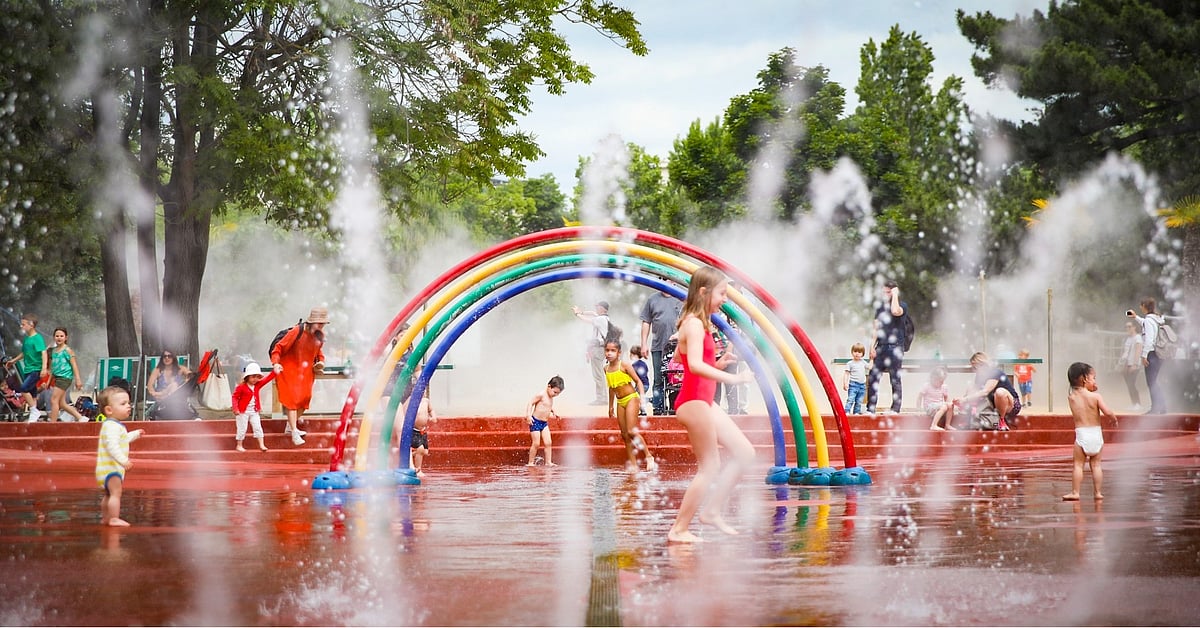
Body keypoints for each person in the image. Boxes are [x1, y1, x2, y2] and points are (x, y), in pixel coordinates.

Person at [667, 265, 757, 544]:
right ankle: (679, 529)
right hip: (694, 402)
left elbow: (686, 361)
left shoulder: (700, 323)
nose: (725, 300)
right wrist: (734, 379)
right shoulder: (693, 323)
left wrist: (718, 364)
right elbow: (693, 365)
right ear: (704, 292)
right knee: (709, 467)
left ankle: (713, 511)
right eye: (721, 294)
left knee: (745, 453)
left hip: (702, 399)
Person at [270, 307, 329, 445]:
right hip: (289, 369)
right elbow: (278, 348)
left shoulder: (319, 336)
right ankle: (294, 432)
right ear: (311, 322)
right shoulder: (297, 331)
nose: (321, 326)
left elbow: (319, 353)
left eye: (322, 324)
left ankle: (290, 427)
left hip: (305, 372)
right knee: (293, 400)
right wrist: (275, 363)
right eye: (319, 323)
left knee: (304, 399)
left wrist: (321, 362)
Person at [1062, 362, 1116, 501]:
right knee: (1096, 465)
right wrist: (1113, 419)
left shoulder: (1071, 398)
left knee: (1078, 465)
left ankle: (1075, 492)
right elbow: (1107, 412)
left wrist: (1088, 389)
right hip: (1096, 434)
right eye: (1094, 378)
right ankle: (1098, 492)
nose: (1095, 381)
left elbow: (1081, 398)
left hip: (1082, 435)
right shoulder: (1096, 397)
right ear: (1084, 379)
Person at [94, 385, 144, 527]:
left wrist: (135, 434)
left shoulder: (112, 425)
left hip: (105, 469)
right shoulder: (113, 427)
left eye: (128, 403)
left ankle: (106, 518)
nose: (128, 406)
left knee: (108, 495)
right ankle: (114, 518)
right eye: (123, 404)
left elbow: (121, 440)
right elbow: (112, 446)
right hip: (112, 469)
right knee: (116, 493)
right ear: (109, 410)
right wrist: (123, 461)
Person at [605, 340, 656, 472]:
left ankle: (649, 456)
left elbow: (638, 381)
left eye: (613, 351)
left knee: (631, 431)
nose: (609, 353)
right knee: (624, 435)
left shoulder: (624, 365)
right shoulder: (606, 368)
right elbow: (611, 387)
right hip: (620, 401)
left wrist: (642, 399)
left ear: (619, 353)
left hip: (631, 399)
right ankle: (633, 465)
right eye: (607, 350)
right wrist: (610, 406)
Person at [866, 280, 907, 414]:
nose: (885, 295)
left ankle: (895, 408)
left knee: (895, 378)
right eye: (884, 292)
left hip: (896, 347)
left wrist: (895, 295)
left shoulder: (902, 306)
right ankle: (870, 408)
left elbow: (895, 311)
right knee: (873, 377)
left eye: (888, 292)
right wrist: (872, 347)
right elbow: (876, 328)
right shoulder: (880, 308)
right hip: (881, 346)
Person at [639, 291, 683, 415]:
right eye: (666, 279)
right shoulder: (652, 299)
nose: (670, 282)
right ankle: (658, 409)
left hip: (679, 346)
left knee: (678, 377)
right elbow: (646, 322)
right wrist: (643, 343)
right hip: (659, 346)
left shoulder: (681, 298)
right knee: (659, 378)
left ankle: (677, 408)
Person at [956, 352, 1021, 431]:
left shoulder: (995, 372)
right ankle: (968, 418)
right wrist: (962, 400)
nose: (973, 369)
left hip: (1010, 404)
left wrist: (965, 399)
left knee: (999, 392)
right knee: (971, 388)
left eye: (974, 367)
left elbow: (985, 391)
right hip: (993, 404)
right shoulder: (979, 376)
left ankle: (1001, 420)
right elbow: (975, 391)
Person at [4, 313, 47, 422]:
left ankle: (34, 410)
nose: (21, 327)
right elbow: (24, 353)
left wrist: (44, 368)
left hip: (35, 369)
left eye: (23, 324)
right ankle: (34, 416)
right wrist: (13, 361)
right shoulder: (27, 339)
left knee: (23, 388)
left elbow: (43, 353)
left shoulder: (37, 338)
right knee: (32, 393)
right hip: (27, 369)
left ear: (31, 325)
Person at [1128, 299, 1166, 414]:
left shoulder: (1149, 320)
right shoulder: (1155, 319)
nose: (1140, 308)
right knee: (1154, 382)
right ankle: (1162, 407)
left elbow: (1149, 339)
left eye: (1141, 306)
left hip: (1151, 354)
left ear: (1144, 306)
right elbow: (1145, 323)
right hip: (1157, 354)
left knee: (1152, 382)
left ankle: (1156, 408)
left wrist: (1144, 356)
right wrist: (1135, 317)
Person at [573, 301, 613, 405]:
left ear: (603, 309)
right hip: (602, 348)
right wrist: (582, 311)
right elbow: (592, 313)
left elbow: (586, 320)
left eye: (598, 307)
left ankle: (602, 399)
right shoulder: (605, 318)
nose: (596, 309)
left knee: (598, 375)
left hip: (598, 348)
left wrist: (578, 314)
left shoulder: (600, 319)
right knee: (599, 373)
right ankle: (602, 397)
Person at [232, 362, 276, 452]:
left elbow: (267, 379)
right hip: (242, 411)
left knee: (258, 427)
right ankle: (239, 445)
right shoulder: (241, 387)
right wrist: (235, 408)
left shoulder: (257, 385)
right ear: (247, 376)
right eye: (253, 377)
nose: (255, 379)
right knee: (242, 428)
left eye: (257, 377)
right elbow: (235, 397)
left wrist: (274, 372)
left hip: (254, 411)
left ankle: (261, 444)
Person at [47, 327, 87, 422]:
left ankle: (53, 423)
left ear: (66, 338)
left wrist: (78, 379)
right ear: (54, 337)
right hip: (57, 378)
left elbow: (74, 364)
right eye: (57, 336)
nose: (59, 338)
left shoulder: (67, 350)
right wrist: (49, 381)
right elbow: (52, 368)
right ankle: (81, 418)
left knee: (53, 400)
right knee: (62, 403)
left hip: (65, 378)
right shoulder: (53, 351)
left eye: (61, 336)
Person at [146, 349, 197, 420]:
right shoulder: (158, 370)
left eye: (169, 356)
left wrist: (188, 377)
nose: (167, 358)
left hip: (177, 398)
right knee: (174, 385)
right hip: (162, 399)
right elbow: (149, 386)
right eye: (164, 356)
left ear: (173, 358)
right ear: (162, 359)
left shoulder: (180, 369)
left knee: (174, 385)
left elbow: (191, 375)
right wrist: (154, 394)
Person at [525, 375, 563, 467]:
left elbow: (548, 406)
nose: (555, 395)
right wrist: (528, 415)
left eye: (558, 394)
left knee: (548, 442)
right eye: (555, 392)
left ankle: (548, 462)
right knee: (536, 443)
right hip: (535, 421)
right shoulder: (541, 395)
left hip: (544, 423)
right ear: (549, 386)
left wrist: (554, 412)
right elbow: (530, 403)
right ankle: (530, 462)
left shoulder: (551, 397)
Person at [401, 386, 437, 477]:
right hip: (414, 430)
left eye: (423, 390)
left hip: (423, 431)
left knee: (425, 452)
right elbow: (403, 411)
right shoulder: (411, 400)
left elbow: (431, 410)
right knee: (420, 449)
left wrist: (433, 416)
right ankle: (418, 470)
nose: (422, 392)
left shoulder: (426, 401)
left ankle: (411, 454)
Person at [1117, 319, 1143, 410]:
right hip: (1127, 364)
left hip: (1134, 364)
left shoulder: (1138, 338)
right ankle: (1134, 403)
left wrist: (1135, 364)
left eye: (1129, 327)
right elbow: (1126, 352)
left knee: (1132, 384)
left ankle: (1138, 404)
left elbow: (1138, 350)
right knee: (1129, 384)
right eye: (1126, 327)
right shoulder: (1128, 339)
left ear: (1134, 327)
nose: (1127, 329)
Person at [841, 342, 868, 415]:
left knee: (859, 400)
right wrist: (845, 383)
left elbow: (870, 367)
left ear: (862, 354)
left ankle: (856, 412)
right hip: (853, 384)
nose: (857, 353)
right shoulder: (850, 363)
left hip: (862, 385)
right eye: (855, 351)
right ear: (852, 352)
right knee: (850, 399)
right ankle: (846, 411)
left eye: (859, 352)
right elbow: (846, 374)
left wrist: (872, 359)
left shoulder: (863, 362)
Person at [630, 345, 651, 416]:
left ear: (635, 355)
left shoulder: (634, 365)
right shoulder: (643, 363)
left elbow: (632, 375)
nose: (630, 356)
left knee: (638, 398)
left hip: (641, 385)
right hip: (646, 384)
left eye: (631, 354)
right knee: (639, 397)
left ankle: (650, 400)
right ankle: (643, 411)